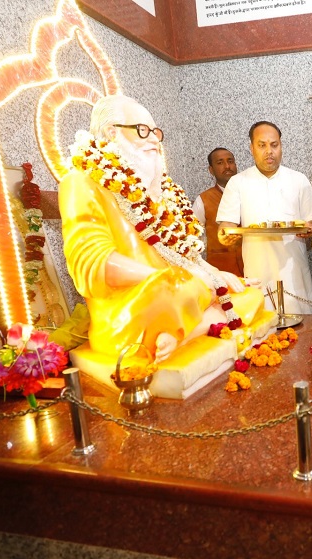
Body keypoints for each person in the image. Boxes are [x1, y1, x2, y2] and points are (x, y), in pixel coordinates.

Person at [59, 95, 264, 362]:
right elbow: (92, 262)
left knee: (251, 294)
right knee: (174, 294)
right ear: (112, 133)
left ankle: (188, 330)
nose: (155, 140)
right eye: (143, 131)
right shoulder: (82, 181)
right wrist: (175, 281)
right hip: (138, 303)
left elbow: (186, 257)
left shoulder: (160, 192)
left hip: (181, 290)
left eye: (155, 132)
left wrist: (216, 276)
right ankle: (198, 318)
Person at [217, 121, 312, 315]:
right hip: (257, 270)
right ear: (251, 148)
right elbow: (226, 226)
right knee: (264, 330)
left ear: (281, 146)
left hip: (293, 270)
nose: (269, 151)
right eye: (261, 145)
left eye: (274, 145)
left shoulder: (299, 180)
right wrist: (226, 235)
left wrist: (309, 227)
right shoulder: (238, 182)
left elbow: (311, 219)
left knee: (303, 330)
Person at [196, 147, 243, 276]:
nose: (227, 166)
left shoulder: (250, 193)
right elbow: (192, 238)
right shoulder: (203, 200)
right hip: (222, 274)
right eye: (220, 163)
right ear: (211, 170)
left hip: (253, 268)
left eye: (230, 161)